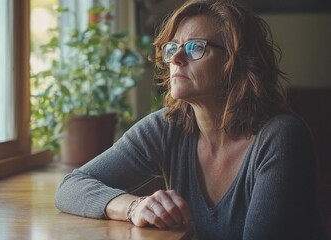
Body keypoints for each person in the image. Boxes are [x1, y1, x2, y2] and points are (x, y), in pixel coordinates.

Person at [55, 0, 329, 239]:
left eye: (196, 47)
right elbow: (71, 186)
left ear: (237, 61)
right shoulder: (167, 126)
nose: (175, 57)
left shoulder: (281, 137)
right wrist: (133, 207)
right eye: (173, 47)